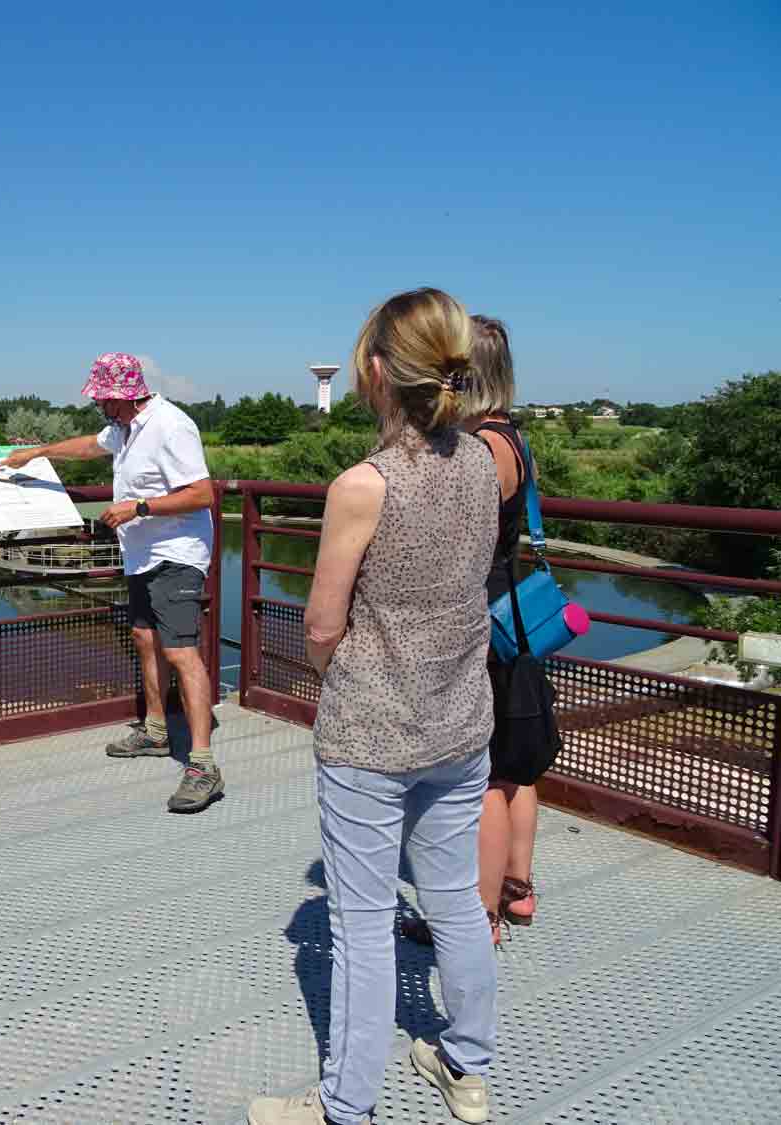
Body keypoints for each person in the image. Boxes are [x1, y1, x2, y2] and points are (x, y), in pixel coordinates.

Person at [248, 289, 500, 1125]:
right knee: (455, 898)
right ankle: (466, 1067)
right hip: (460, 722)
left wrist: (342, 677)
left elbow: (322, 624)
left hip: (372, 736)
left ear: (380, 371)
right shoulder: (486, 463)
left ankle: (344, 1106)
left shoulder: (364, 484)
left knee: (360, 925)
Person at [0, 353, 221, 813]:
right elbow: (87, 446)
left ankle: (202, 766)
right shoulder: (123, 428)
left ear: (123, 396)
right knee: (144, 638)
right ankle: (156, 732)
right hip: (140, 554)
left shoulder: (171, 425)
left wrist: (138, 507)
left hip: (176, 553)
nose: (97, 404)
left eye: (102, 397)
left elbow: (202, 494)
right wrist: (37, 452)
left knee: (181, 652)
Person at [403, 315, 538, 950]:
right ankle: (516, 888)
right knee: (516, 768)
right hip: (513, 613)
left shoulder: (480, 449)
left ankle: (477, 917)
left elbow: (450, 538)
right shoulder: (515, 437)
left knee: (478, 775)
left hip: (479, 619)